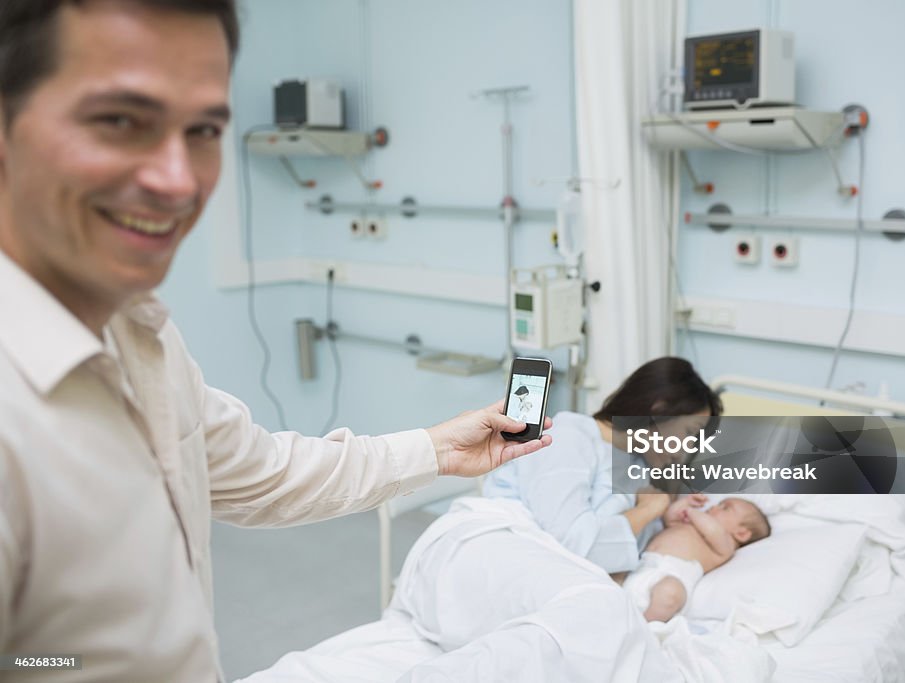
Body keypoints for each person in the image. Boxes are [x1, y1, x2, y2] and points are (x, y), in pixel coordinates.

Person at [0, 1, 550, 681]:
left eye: (202, 129)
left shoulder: (142, 337)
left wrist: (438, 448)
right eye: (120, 121)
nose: (177, 179)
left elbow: (265, 471)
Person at [483, 356, 722, 573]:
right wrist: (648, 510)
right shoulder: (569, 438)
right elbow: (570, 547)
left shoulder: (636, 463)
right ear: (659, 409)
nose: (688, 448)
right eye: (691, 433)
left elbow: (630, 543)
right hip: (502, 559)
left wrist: (666, 515)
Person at [621, 493, 771, 622]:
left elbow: (713, 529)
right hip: (642, 568)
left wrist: (691, 512)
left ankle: (644, 625)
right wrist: (685, 503)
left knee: (669, 593)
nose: (713, 507)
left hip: (673, 575)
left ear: (742, 534)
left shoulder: (725, 545)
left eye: (725, 508)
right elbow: (669, 517)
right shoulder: (690, 524)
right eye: (719, 504)